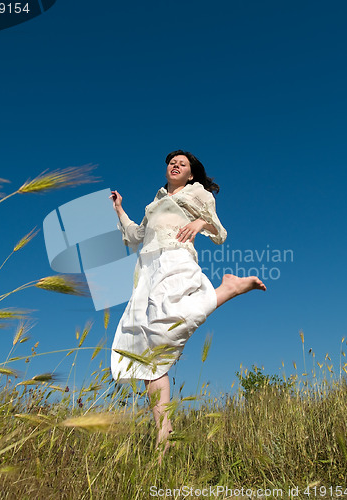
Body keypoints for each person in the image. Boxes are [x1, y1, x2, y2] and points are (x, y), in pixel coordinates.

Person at [109, 150, 266, 462]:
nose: (175, 165)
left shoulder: (198, 193)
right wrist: (119, 209)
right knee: (148, 351)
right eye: (171, 162)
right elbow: (136, 236)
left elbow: (219, 232)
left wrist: (198, 223)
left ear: (191, 173)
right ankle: (163, 432)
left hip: (177, 258)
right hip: (148, 271)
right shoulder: (153, 203)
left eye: (182, 163)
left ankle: (228, 289)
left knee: (178, 322)